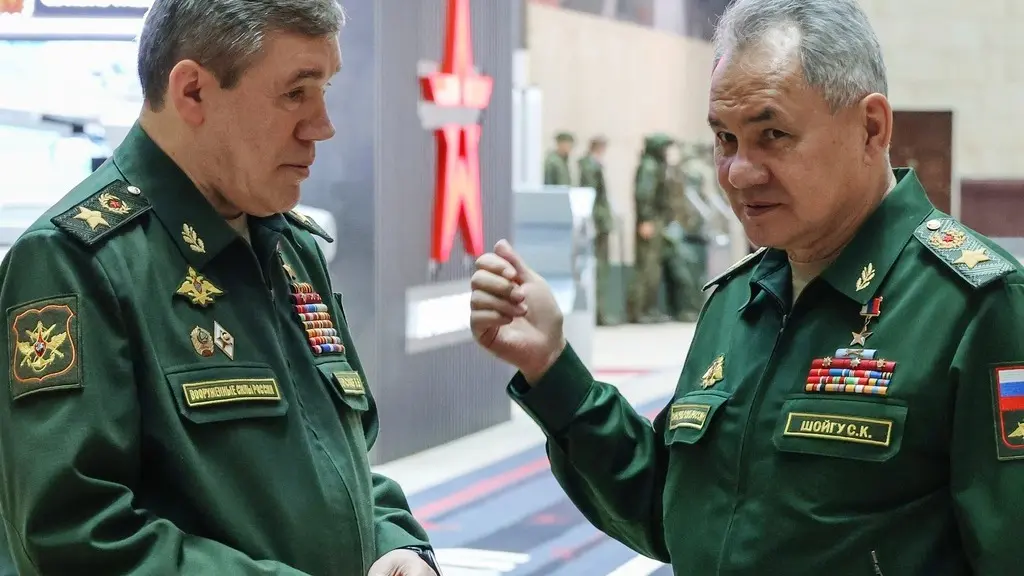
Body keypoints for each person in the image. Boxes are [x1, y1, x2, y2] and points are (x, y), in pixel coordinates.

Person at [468, 0, 1022, 573]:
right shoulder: (740, 300)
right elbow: (673, 511)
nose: (738, 172)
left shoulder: (972, 306)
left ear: (871, 128)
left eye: (773, 134)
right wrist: (552, 369)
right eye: (725, 139)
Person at [0, 1, 439, 575]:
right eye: (295, 93)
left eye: (325, 90)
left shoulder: (289, 248)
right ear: (193, 93)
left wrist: (394, 544)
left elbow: (334, 455)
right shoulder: (78, 264)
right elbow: (74, 535)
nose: (323, 126)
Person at [627, 133, 674, 323]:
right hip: (650, 220)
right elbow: (644, 195)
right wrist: (645, 219)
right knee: (646, 267)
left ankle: (649, 308)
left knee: (652, 266)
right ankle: (640, 310)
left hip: (656, 219)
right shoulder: (649, 167)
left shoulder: (654, 165)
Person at [578, 135, 620, 325]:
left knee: (600, 268)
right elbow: (593, 197)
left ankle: (600, 313)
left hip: (599, 221)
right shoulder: (591, 167)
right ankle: (599, 313)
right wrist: (596, 222)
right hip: (598, 222)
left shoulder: (591, 165)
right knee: (599, 268)